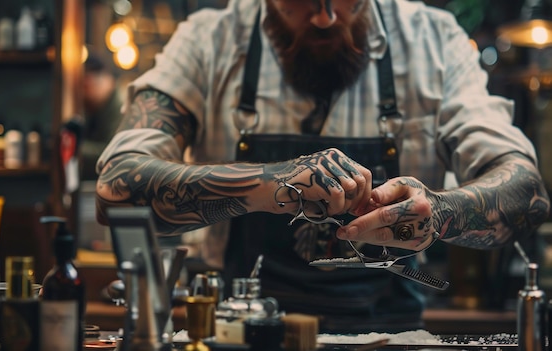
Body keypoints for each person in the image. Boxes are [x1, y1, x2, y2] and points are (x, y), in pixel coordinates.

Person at [94, 0, 551, 333]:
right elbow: (116, 186)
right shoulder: (209, 40)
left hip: (390, 335)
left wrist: (441, 212)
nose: (326, 15)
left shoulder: (433, 41)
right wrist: (270, 183)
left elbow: (527, 193)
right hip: (238, 331)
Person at [80, 52, 123, 181]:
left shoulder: (120, 108)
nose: (83, 93)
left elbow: (112, 154)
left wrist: (75, 148)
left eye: (86, 85)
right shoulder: (96, 107)